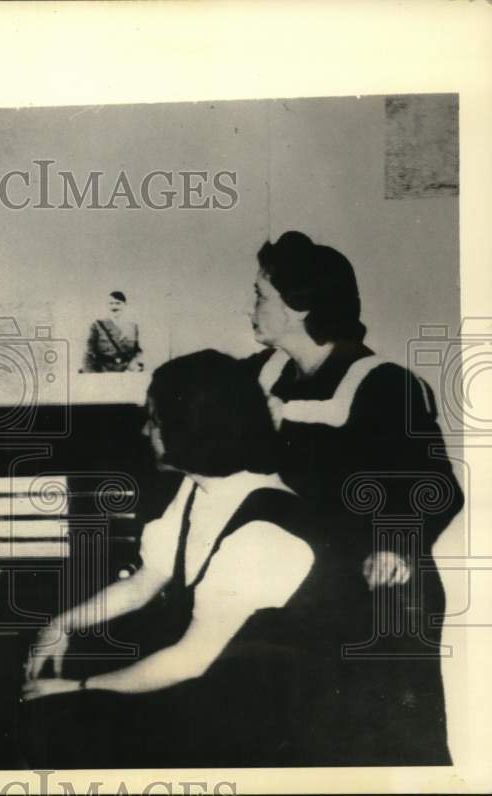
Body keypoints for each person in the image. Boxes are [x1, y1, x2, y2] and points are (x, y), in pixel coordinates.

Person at [21, 350, 317, 768]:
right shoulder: (201, 487)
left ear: (190, 429)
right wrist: (61, 623)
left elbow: (189, 661)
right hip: (212, 690)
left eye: (154, 420)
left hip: (259, 724)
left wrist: (78, 687)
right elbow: (147, 580)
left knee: (61, 725)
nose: (145, 431)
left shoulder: (263, 532)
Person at [243, 230, 464, 764]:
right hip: (300, 582)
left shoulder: (384, 384)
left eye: (259, 296)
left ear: (300, 307)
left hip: (377, 592)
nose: (249, 307)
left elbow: (437, 488)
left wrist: (396, 544)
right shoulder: (259, 378)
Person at [82, 290, 144, 372]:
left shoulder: (133, 327)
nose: (114, 306)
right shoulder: (97, 325)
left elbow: (138, 351)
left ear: (125, 305)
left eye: (118, 303)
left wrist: (135, 364)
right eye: (111, 303)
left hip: (127, 373)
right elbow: (89, 353)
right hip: (103, 372)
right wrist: (91, 375)